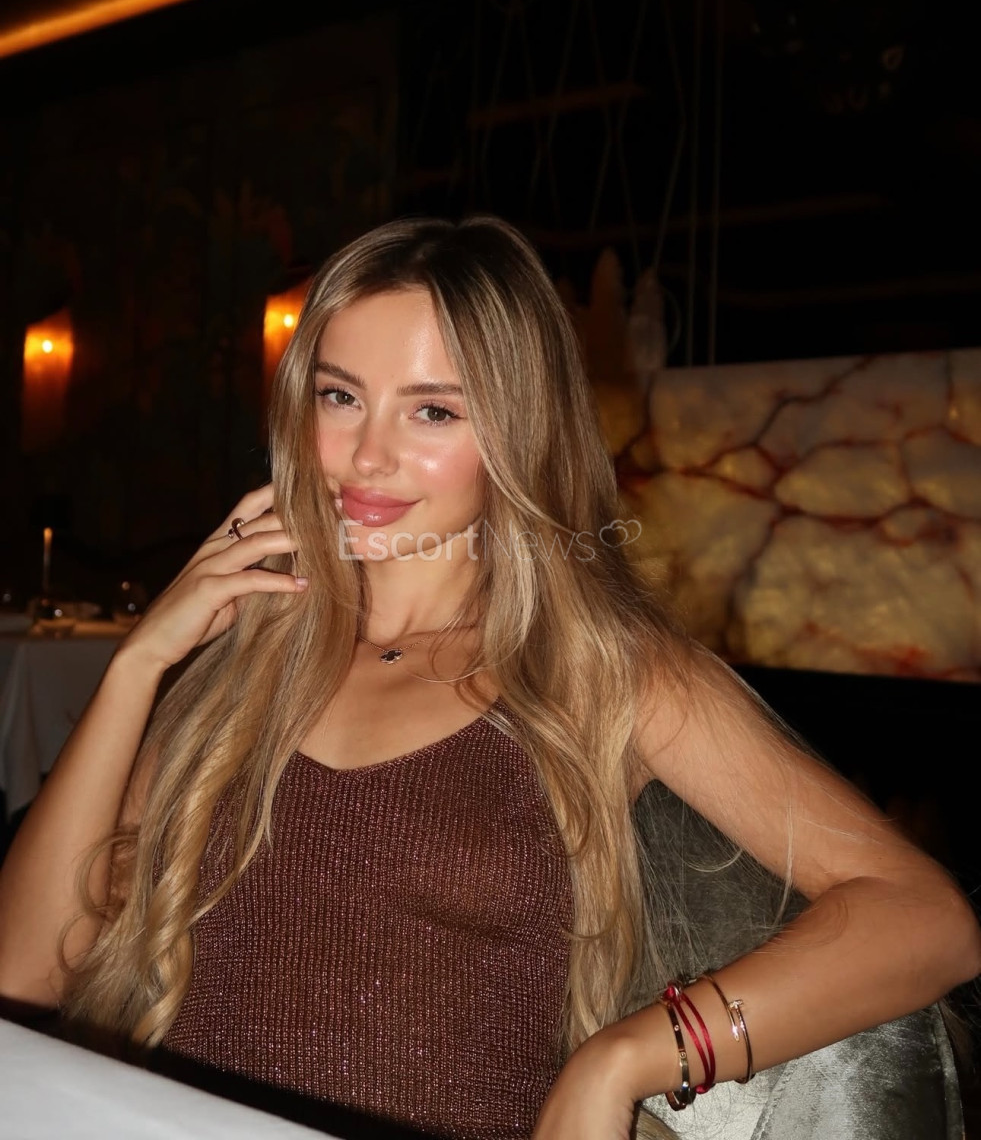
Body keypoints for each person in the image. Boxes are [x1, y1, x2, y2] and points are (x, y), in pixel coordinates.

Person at [0, 216, 978, 1140]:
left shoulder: (603, 669)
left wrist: (629, 1058)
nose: (367, 454)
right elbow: (24, 974)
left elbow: (925, 918)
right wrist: (138, 666)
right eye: (339, 397)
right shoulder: (245, 662)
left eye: (432, 410)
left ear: (517, 431)